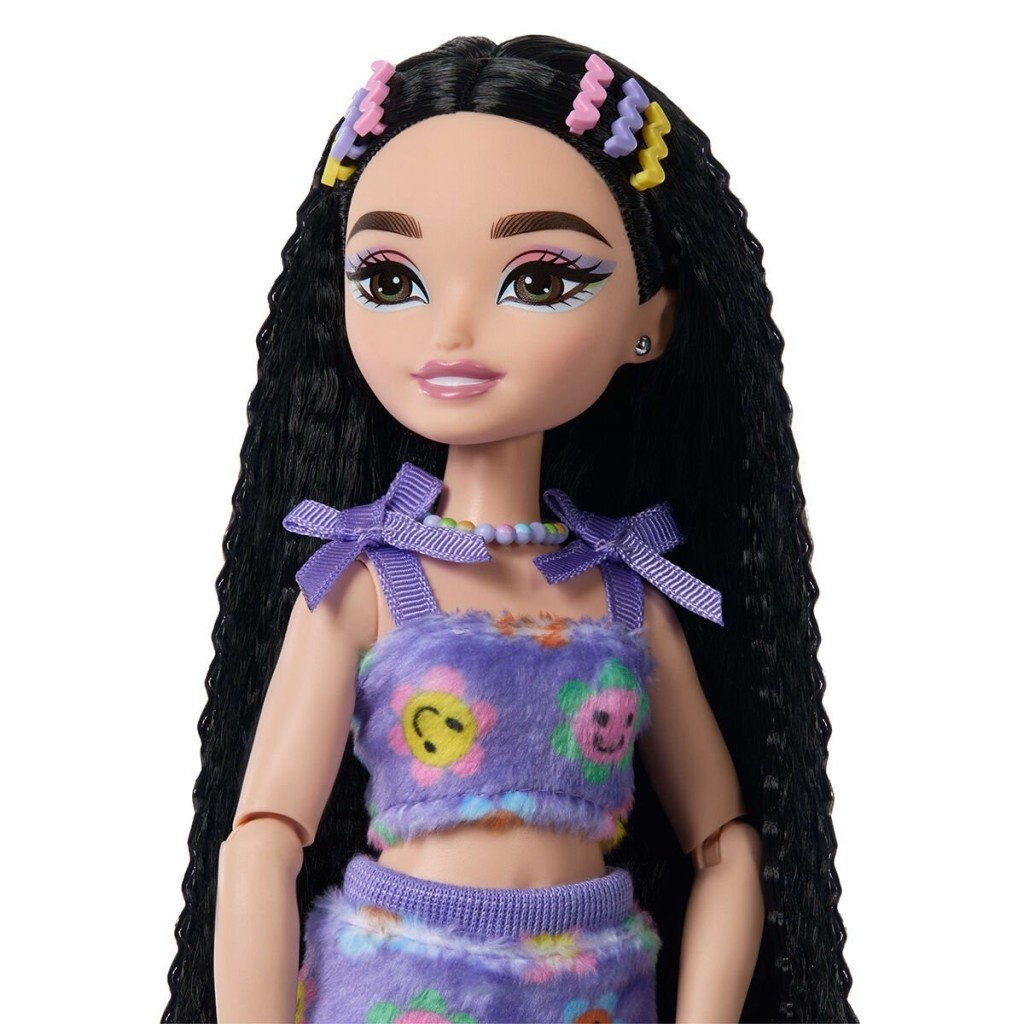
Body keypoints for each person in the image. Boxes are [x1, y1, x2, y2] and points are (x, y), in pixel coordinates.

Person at [165, 35, 854, 1023]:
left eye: (537, 280)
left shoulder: (626, 592)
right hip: (393, 987)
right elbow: (262, 839)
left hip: (595, 990)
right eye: (391, 280)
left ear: (650, 322)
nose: (450, 334)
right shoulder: (366, 581)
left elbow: (725, 845)